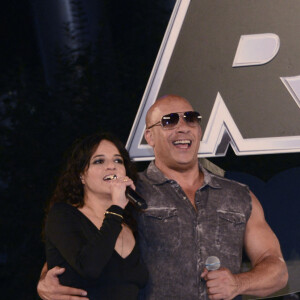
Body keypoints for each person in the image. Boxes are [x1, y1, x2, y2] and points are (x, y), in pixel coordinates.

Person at [37, 95, 288, 300]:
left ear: (199, 130)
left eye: (191, 119)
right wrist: (45, 281)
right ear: (149, 137)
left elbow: (276, 269)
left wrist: (237, 283)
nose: (182, 126)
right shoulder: (129, 191)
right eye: (168, 121)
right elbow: (78, 241)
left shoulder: (238, 195)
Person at [42, 132, 148, 300]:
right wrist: (116, 207)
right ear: (81, 176)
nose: (111, 166)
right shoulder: (63, 215)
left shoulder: (131, 225)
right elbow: (89, 266)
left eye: (118, 160)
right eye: (99, 161)